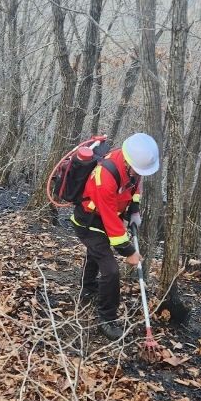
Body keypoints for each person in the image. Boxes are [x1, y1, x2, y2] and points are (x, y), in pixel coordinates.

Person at [71, 133, 160, 340]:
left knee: (96, 255)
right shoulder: (105, 176)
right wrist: (128, 251)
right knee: (111, 270)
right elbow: (111, 219)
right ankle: (107, 318)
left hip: (103, 219)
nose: (140, 174)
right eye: (137, 170)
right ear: (128, 161)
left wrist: (135, 209)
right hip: (88, 223)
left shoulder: (132, 165)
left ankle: (87, 290)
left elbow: (135, 186)